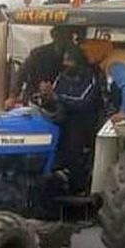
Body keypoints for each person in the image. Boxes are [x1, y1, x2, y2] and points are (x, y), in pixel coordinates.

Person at [37, 48, 101, 194]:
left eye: (70, 61)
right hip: (63, 118)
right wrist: (45, 97)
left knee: (73, 139)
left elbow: (83, 101)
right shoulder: (62, 77)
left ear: (79, 63)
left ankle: (77, 186)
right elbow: (55, 98)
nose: (66, 64)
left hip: (84, 120)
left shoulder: (90, 78)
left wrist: (57, 98)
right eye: (64, 60)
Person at [7, 26, 78, 107]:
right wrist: (13, 96)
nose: (63, 40)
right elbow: (22, 73)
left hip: (62, 103)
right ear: (54, 36)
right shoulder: (38, 53)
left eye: (66, 38)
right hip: (35, 98)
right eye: (60, 37)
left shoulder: (75, 55)